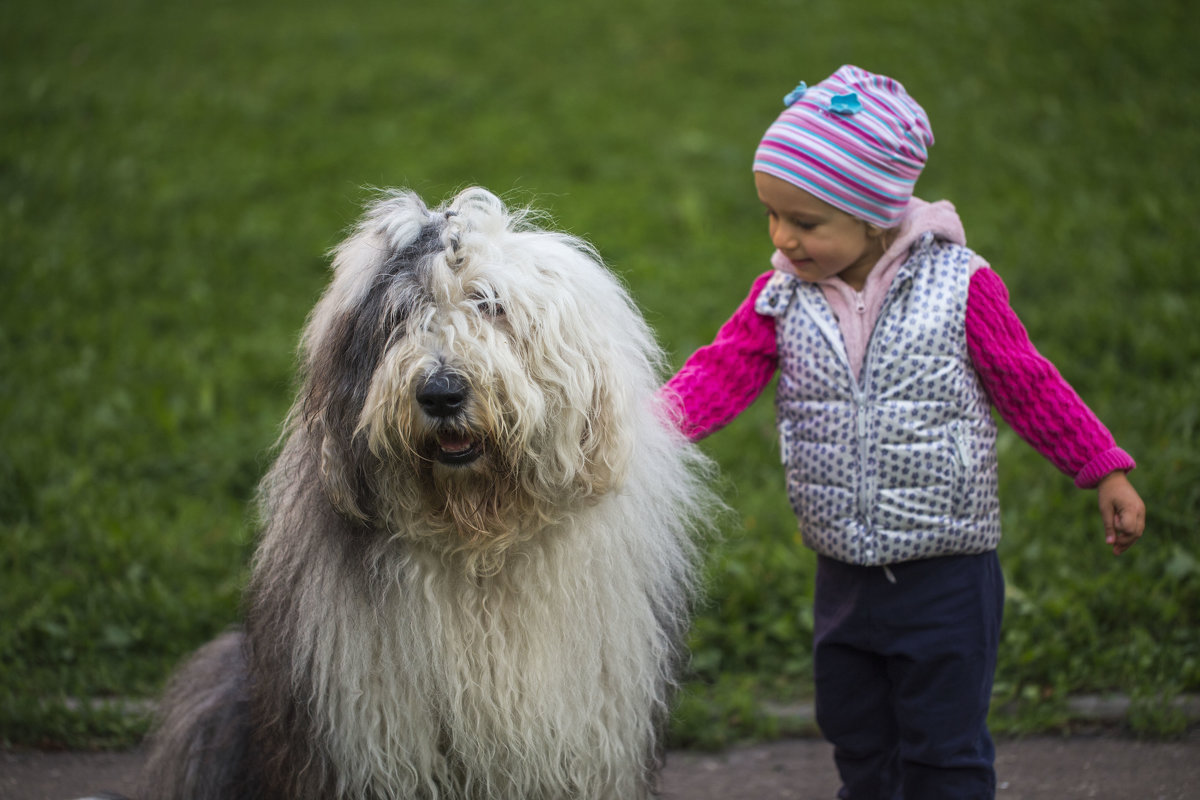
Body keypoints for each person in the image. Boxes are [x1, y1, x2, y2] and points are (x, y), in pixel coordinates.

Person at [661, 65, 1146, 799]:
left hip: (947, 570)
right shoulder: (782, 296)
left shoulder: (960, 285)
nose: (782, 238)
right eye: (772, 214)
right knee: (856, 734)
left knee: (942, 748)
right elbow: (722, 370)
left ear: (876, 212)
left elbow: (1027, 381)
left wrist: (1101, 465)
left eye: (806, 222)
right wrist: (643, 431)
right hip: (843, 569)